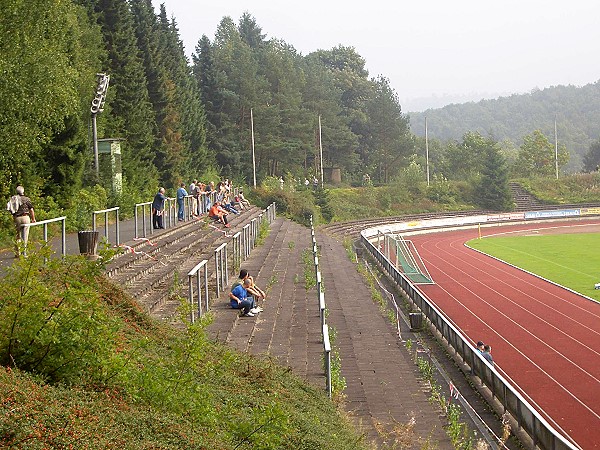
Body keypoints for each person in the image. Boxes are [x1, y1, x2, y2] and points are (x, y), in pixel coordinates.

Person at [6, 185, 36, 257]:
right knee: (25, 235)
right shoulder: (26, 199)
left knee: (17, 235)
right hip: (25, 217)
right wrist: (33, 219)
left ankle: (17, 253)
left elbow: (10, 209)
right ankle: (24, 252)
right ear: (23, 191)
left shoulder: (13, 199)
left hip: (17, 218)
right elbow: (31, 209)